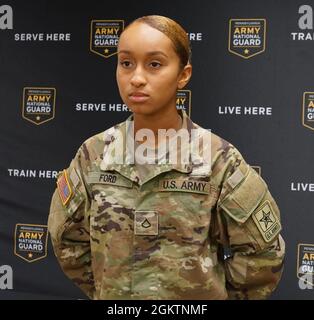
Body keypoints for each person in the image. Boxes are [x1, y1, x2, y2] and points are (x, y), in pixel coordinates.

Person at [48, 15, 285, 300]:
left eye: (154, 64)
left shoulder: (218, 160)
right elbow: (67, 239)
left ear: (183, 75)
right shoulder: (94, 154)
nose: (136, 78)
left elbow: (263, 256)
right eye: (126, 63)